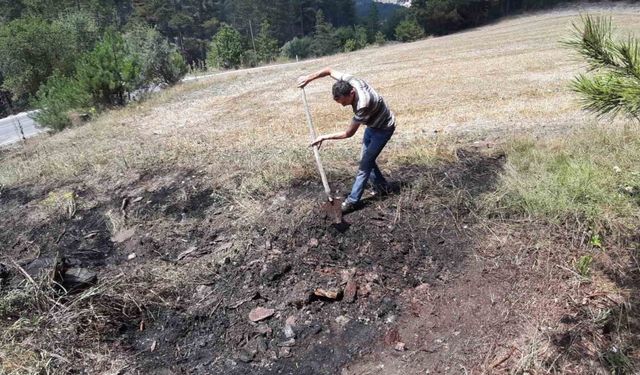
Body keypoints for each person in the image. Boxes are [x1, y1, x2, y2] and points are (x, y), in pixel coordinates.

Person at [297, 67, 396, 213]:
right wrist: (308, 78)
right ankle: (382, 187)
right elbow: (329, 71)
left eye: (343, 102)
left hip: (383, 128)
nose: (343, 105)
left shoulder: (363, 103)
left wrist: (324, 137)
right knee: (367, 158)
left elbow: (348, 133)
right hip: (371, 126)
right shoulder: (351, 81)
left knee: (364, 165)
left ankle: (352, 201)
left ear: (351, 93)